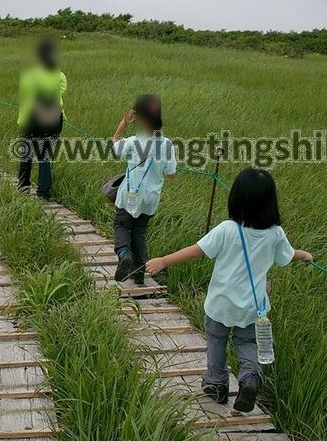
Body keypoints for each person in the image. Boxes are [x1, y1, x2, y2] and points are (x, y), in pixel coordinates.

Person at [145, 167, 313, 412]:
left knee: (216, 340)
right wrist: (305, 255)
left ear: (236, 198)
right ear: (270, 202)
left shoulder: (227, 229)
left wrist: (164, 261)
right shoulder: (275, 234)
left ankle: (216, 384)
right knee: (247, 343)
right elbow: (287, 257)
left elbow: (197, 250)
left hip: (220, 303)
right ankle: (249, 379)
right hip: (252, 307)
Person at [111, 94, 176, 285]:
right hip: (150, 199)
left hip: (129, 196)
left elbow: (115, 146)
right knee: (139, 233)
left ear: (141, 119)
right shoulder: (167, 144)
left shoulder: (134, 141)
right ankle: (139, 274)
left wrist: (123, 123)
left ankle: (124, 254)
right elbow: (171, 174)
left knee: (121, 226)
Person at [16, 39, 67, 199]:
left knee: (26, 154)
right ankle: (43, 192)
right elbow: (62, 92)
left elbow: (25, 91)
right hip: (52, 119)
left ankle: (23, 188)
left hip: (30, 119)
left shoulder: (29, 75)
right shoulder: (60, 75)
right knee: (45, 157)